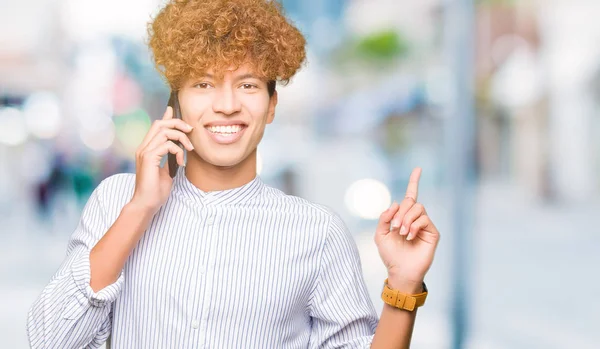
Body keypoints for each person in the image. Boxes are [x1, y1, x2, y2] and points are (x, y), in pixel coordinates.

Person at [27, 0, 440, 348]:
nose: (226, 105)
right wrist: (140, 209)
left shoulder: (317, 233)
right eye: (203, 84)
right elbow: (49, 340)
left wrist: (403, 287)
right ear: (176, 103)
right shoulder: (117, 201)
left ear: (272, 104)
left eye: (247, 85)